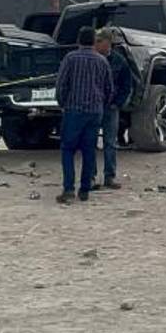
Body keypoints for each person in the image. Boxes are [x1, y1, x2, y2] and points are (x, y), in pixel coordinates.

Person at [54, 26, 114, 204]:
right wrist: (101, 104)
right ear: (93, 41)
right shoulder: (102, 61)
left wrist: (62, 103)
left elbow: (61, 84)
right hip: (95, 112)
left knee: (67, 149)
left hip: (74, 110)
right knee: (89, 150)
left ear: (79, 40)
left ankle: (69, 189)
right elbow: (109, 88)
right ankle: (85, 189)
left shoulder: (70, 58)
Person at [94, 28, 133, 190]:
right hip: (93, 107)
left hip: (110, 107)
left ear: (107, 43)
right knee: (90, 142)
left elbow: (127, 84)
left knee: (110, 143)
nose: (96, 45)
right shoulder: (92, 59)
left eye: (99, 41)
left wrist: (118, 103)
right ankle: (91, 177)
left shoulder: (118, 61)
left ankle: (109, 177)